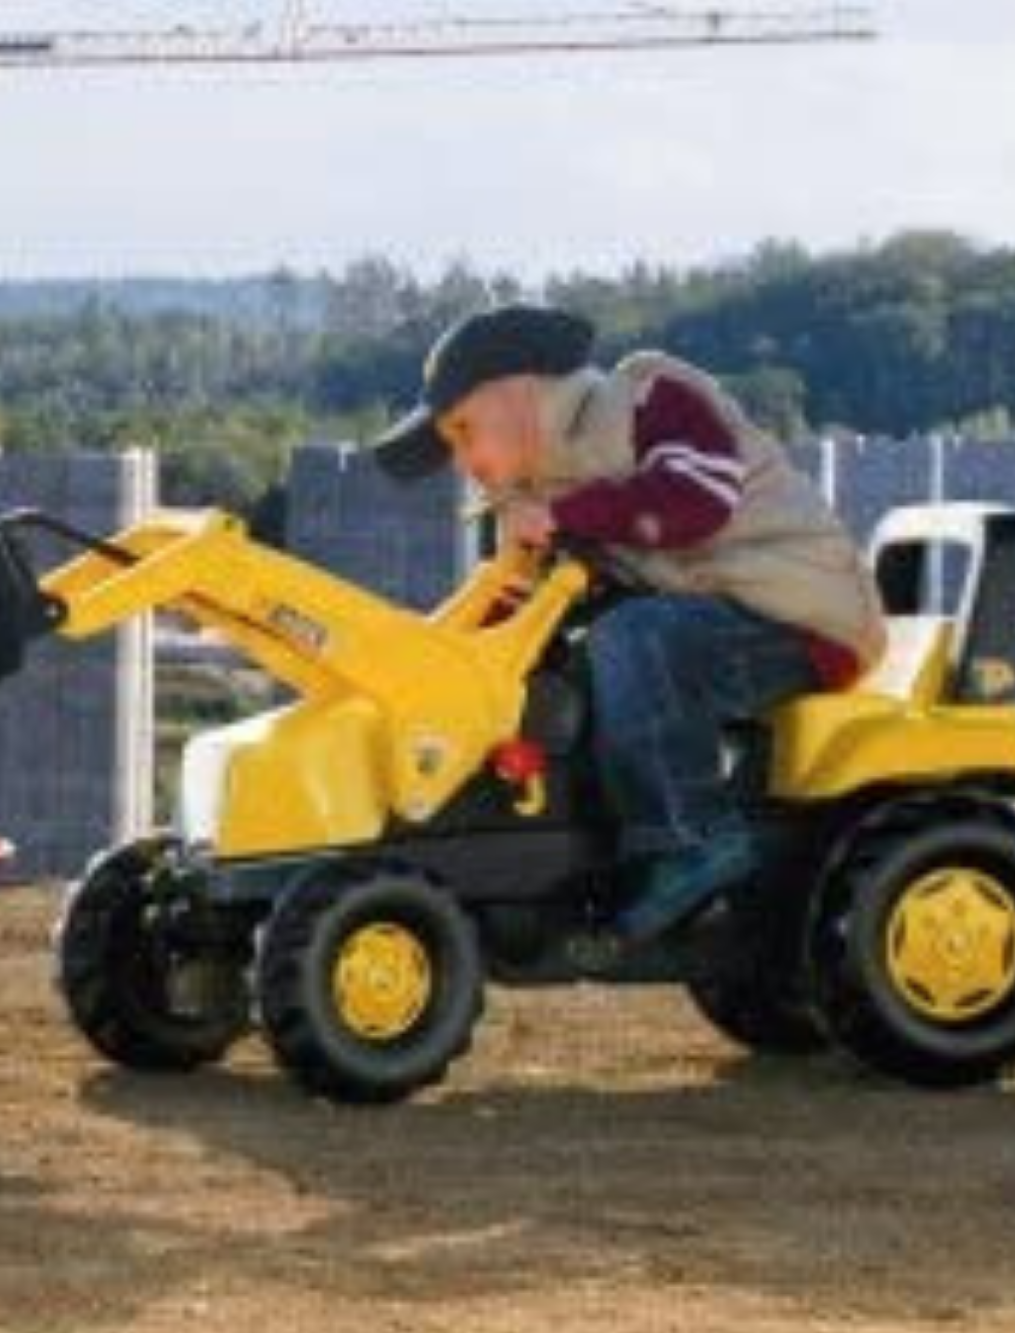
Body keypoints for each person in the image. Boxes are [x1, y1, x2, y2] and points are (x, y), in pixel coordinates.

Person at [373, 302, 887, 939]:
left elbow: (698, 501)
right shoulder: (538, 496)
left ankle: (693, 836)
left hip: (798, 614)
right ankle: (593, 850)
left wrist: (565, 519)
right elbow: (517, 608)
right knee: (560, 671)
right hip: (705, 616)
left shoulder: (645, 397)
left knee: (632, 638)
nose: (461, 458)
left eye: (462, 430)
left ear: (514, 394)